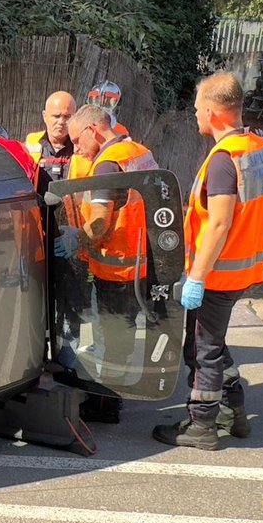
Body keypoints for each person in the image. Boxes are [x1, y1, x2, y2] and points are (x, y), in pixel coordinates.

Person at [152, 72, 263, 450]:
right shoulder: (256, 147)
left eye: (196, 109)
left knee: (202, 350)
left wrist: (197, 277)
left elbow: (219, 222)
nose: (194, 116)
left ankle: (202, 426)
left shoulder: (223, 159)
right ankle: (233, 411)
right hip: (244, 268)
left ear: (213, 112)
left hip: (219, 274)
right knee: (216, 344)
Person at [60, 105, 159, 419]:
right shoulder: (138, 151)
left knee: (112, 338)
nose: (76, 149)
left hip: (117, 268)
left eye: (77, 141)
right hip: (140, 262)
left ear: (92, 131)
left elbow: (101, 222)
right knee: (125, 335)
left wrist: (77, 238)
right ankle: (113, 397)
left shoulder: (106, 165)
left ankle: (106, 404)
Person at [24, 91, 77, 195]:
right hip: (38, 209)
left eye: (67, 117)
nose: (61, 122)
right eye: (56, 116)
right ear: (45, 116)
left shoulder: (81, 148)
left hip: (71, 210)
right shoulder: (30, 146)